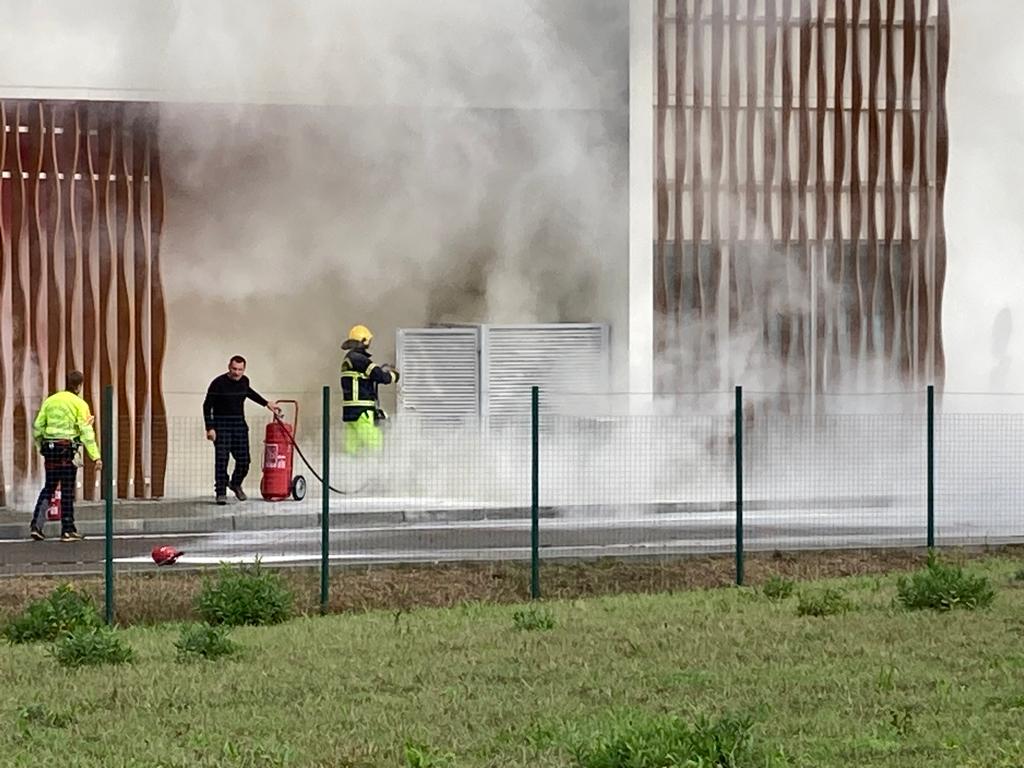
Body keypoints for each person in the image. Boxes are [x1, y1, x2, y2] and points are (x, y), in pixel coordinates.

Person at [30, 370, 102, 542]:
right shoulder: (80, 404)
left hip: (50, 450)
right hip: (67, 450)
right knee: (67, 490)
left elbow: (38, 426)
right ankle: (67, 530)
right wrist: (95, 457)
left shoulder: (50, 401)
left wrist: (41, 446)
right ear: (79, 386)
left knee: (49, 487)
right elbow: (86, 432)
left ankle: (36, 526)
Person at [202, 356, 277, 505]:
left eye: (240, 370)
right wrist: (210, 428)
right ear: (229, 367)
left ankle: (235, 483)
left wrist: (266, 403)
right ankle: (221, 492)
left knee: (244, 460)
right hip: (221, 426)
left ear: (244, 369)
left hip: (239, 426)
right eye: (234, 369)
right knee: (222, 460)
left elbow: (249, 392)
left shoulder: (244, 381)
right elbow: (207, 406)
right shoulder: (218, 384)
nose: (237, 373)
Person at [340, 325, 399, 455]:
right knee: (376, 445)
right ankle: (379, 471)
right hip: (362, 412)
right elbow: (380, 376)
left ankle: (352, 474)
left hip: (349, 413)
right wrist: (394, 375)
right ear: (363, 340)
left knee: (352, 451)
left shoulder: (348, 359)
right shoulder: (360, 360)